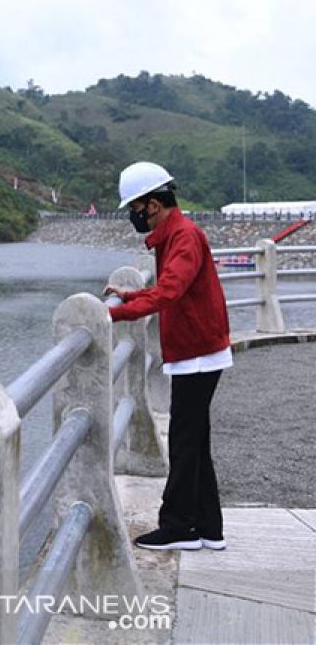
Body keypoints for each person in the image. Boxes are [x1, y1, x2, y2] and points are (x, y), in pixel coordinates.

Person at [103, 162, 231, 551]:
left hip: (198, 351)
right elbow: (166, 289)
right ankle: (208, 528)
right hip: (197, 349)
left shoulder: (185, 237)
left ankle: (179, 527)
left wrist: (109, 313)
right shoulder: (175, 235)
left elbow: (169, 292)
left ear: (154, 205)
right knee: (194, 439)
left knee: (184, 439)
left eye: (135, 208)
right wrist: (129, 297)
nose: (134, 216)